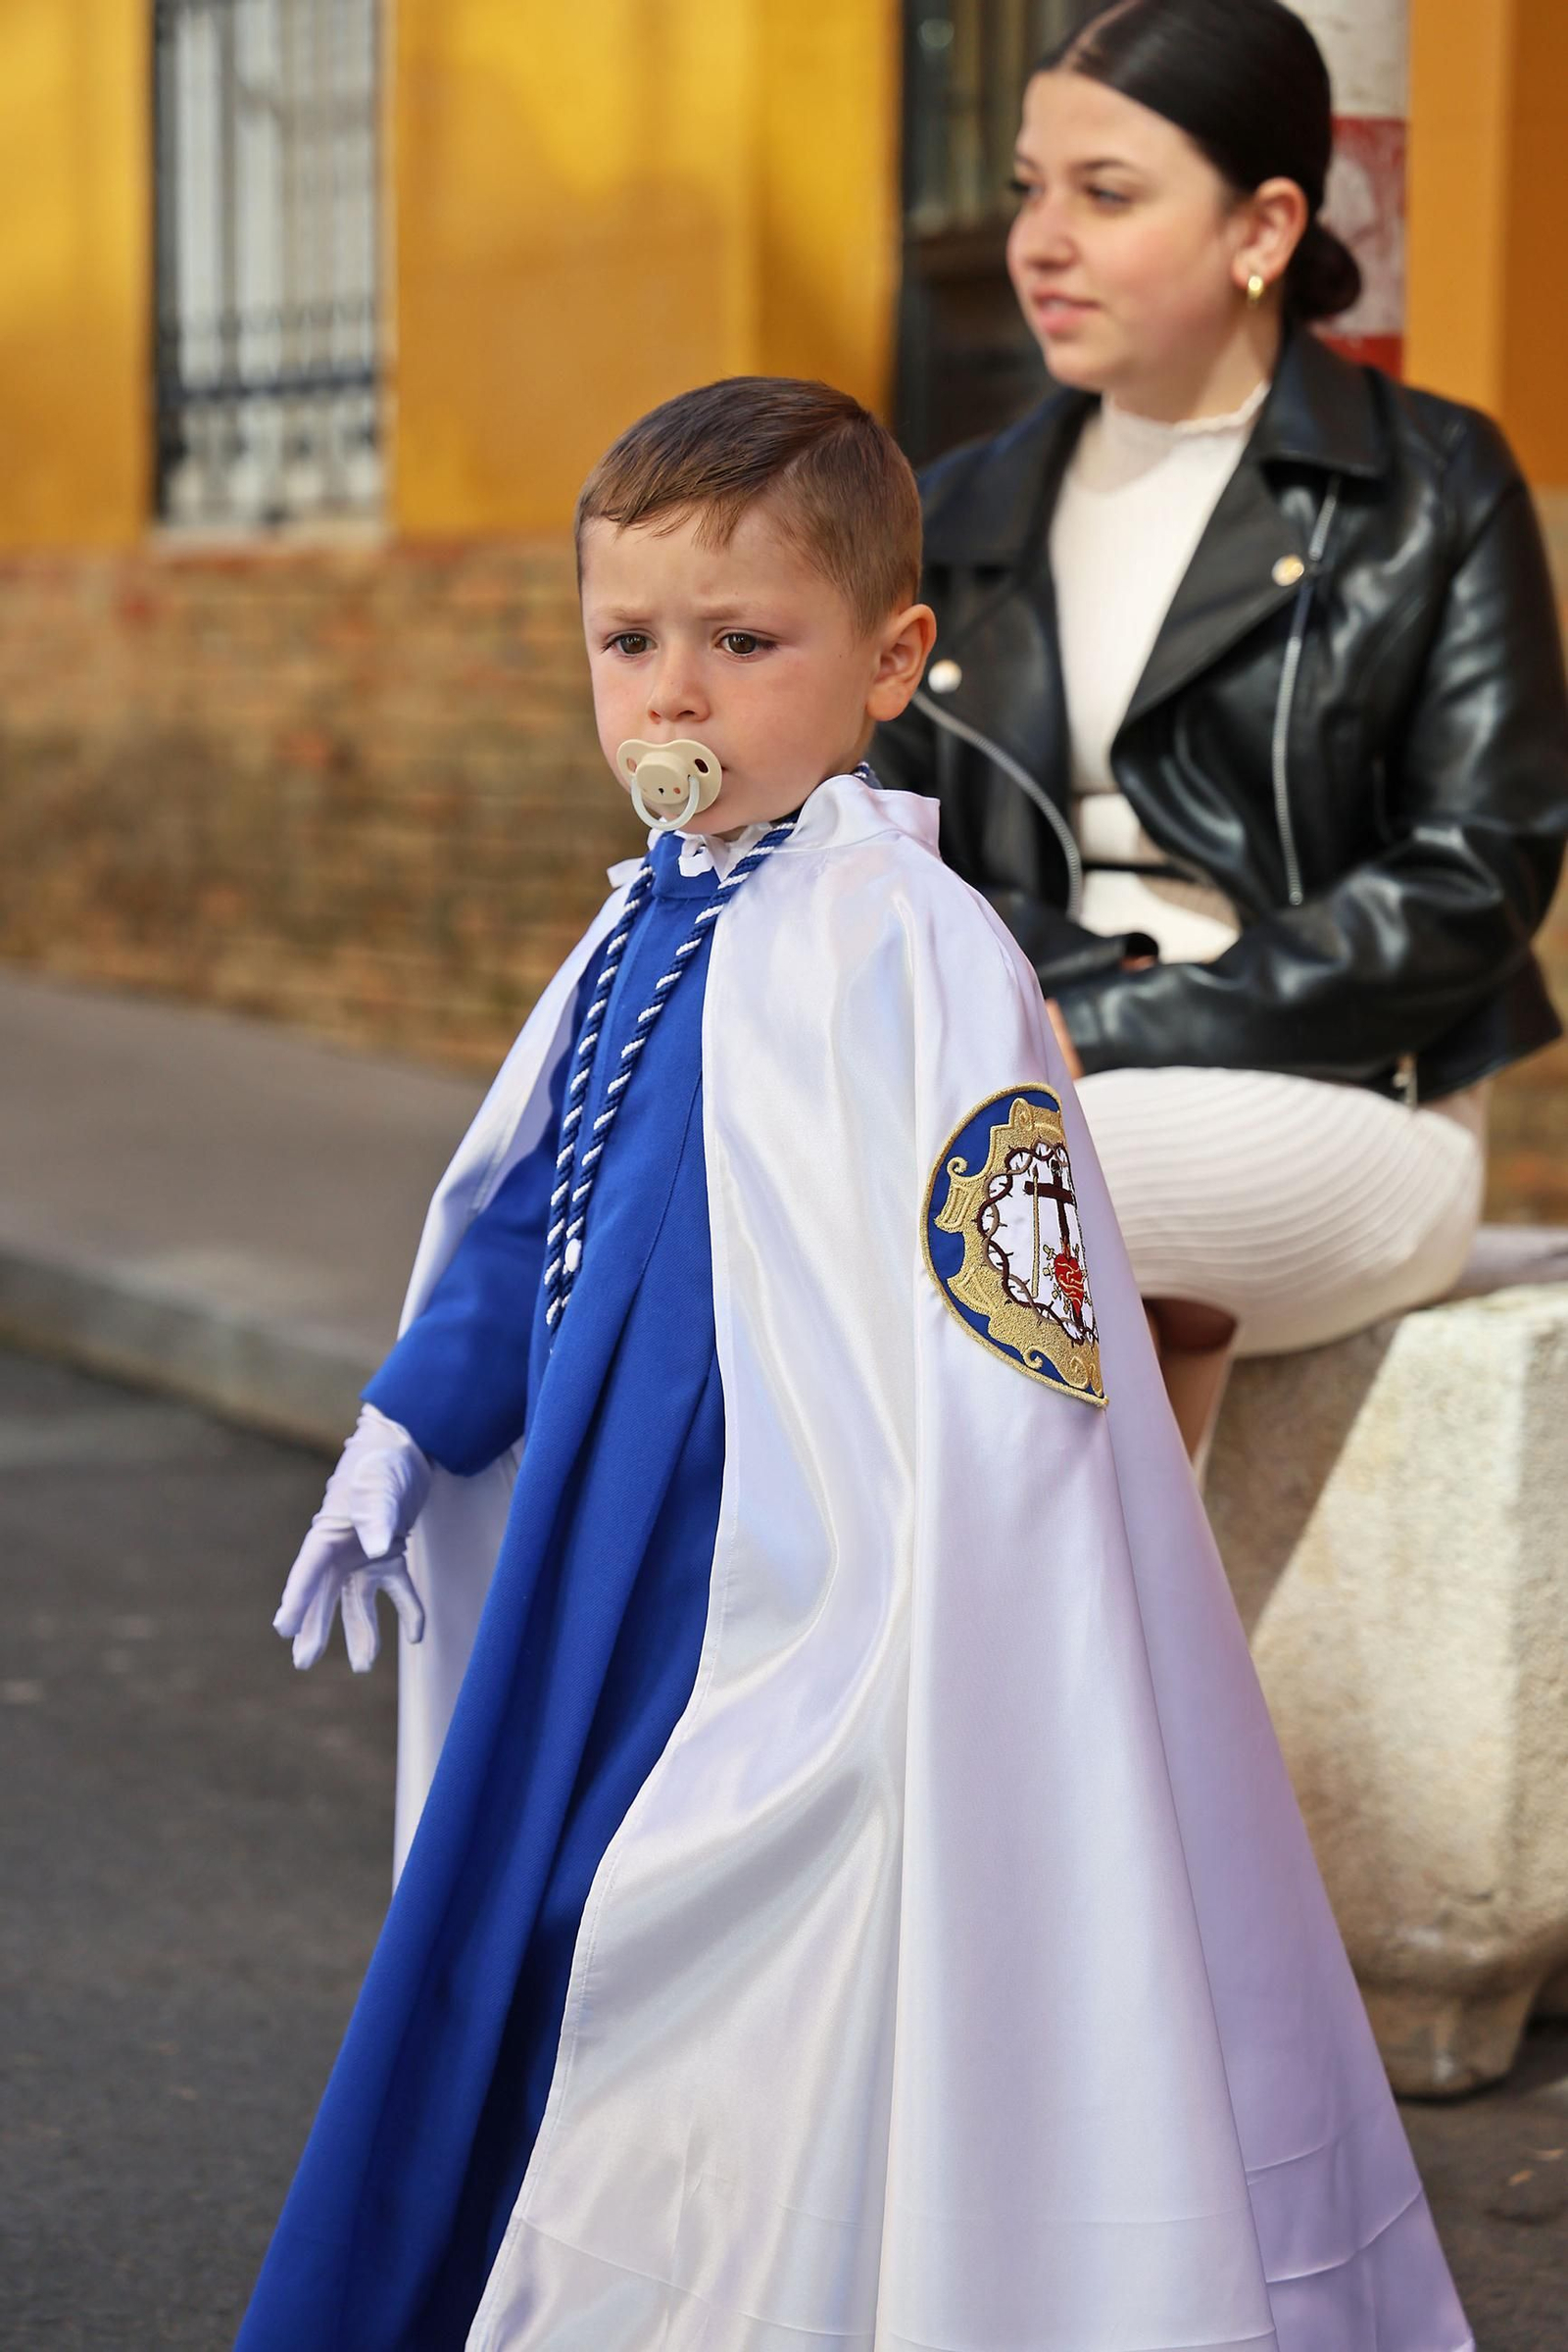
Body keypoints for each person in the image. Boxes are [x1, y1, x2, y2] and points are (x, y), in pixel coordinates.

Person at [236, 378, 1471, 2352]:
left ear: (888, 661)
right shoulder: (635, 927)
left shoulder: (907, 942)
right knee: (538, 1919)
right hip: (593, 1550)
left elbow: (1009, 1312)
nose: (675, 700)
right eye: (628, 644)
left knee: (719, 1933)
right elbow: (526, 1207)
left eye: (743, 646)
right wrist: (407, 1419)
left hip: (783, 1571)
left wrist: (946, 1605)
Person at [874, 0, 1568, 1464]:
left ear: (1262, 226)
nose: (1035, 241)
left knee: (1006, 1199)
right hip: (1022, 1066)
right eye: (1027, 187)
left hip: (1342, 1093)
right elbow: (889, 851)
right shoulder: (960, 513)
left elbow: (1474, 877)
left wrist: (1107, 1022)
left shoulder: (1429, 486)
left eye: (1105, 193)